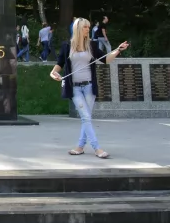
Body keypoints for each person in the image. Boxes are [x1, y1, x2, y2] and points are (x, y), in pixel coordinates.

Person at [50, 17, 129, 159]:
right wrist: (53, 73)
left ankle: (80, 147)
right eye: (85, 27)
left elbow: (105, 59)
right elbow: (59, 64)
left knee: (86, 118)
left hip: (89, 87)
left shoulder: (92, 45)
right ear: (78, 29)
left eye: (88, 27)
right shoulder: (67, 45)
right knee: (86, 117)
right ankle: (97, 148)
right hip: (74, 88)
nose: (88, 29)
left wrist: (117, 50)